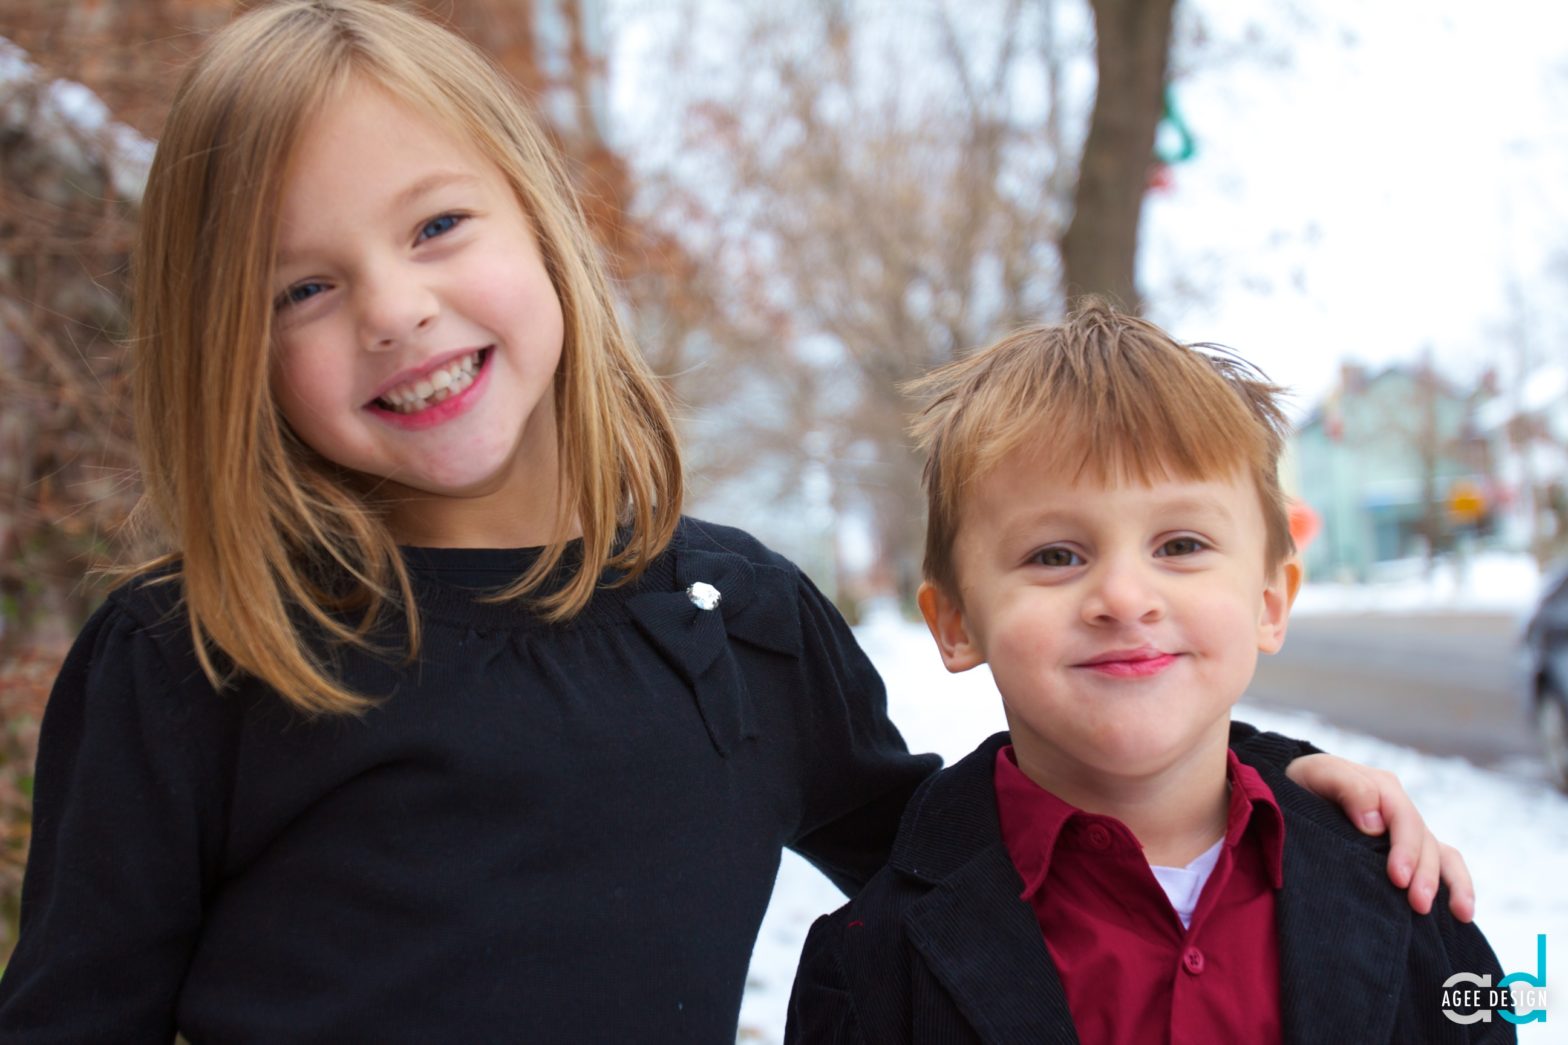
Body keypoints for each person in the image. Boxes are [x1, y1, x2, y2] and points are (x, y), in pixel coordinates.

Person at [0, 3, 1470, 1041]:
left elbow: (971, 840)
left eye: (438, 226)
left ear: (543, 231)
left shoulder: (735, 627)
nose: (394, 309)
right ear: (227, 346)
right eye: (300, 289)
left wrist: (1276, 783)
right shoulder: (194, 660)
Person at [785, 303, 1512, 1044]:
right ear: (958, 623)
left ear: (1269, 602)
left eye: (1182, 543)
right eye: (1055, 555)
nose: (1126, 598)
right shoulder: (868, 964)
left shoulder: (1404, 891)